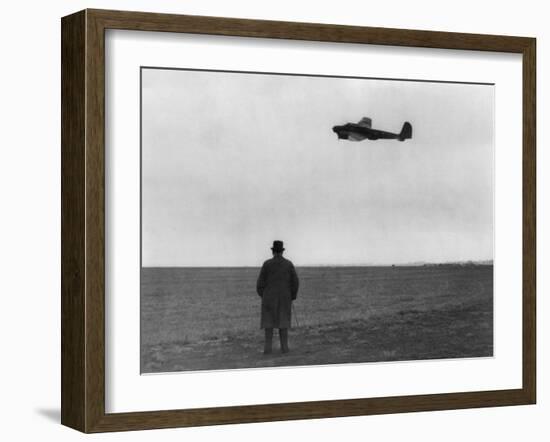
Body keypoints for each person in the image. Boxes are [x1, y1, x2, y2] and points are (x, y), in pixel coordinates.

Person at [256, 240, 299, 354]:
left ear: (273, 252)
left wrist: (264, 296)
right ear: (282, 252)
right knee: (283, 323)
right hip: (285, 299)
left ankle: (267, 350)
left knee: (268, 325)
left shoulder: (266, 264)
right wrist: (291, 296)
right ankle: (284, 348)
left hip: (269, 299)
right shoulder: (288, 264)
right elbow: (295, 282)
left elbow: (259, 284)